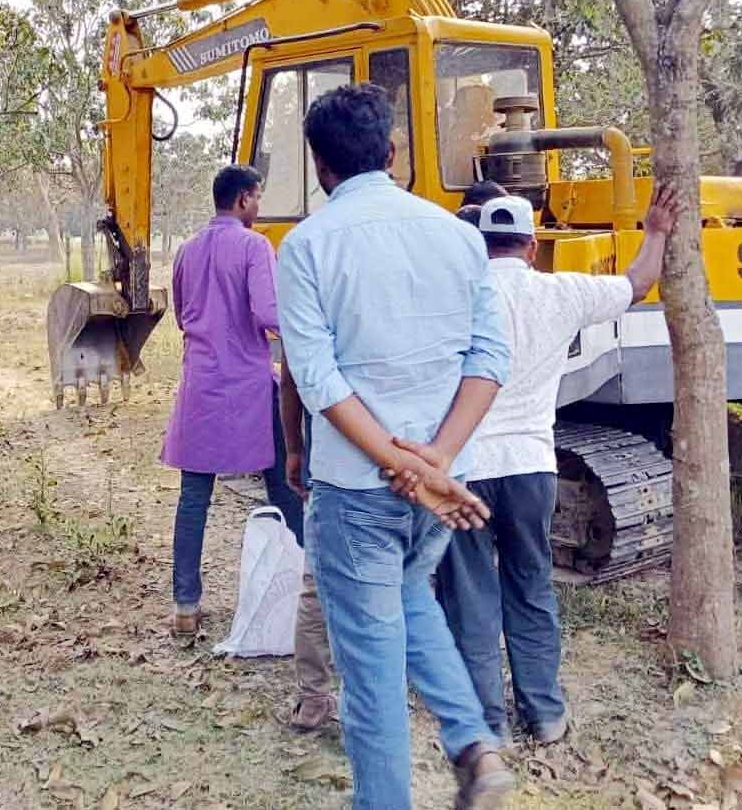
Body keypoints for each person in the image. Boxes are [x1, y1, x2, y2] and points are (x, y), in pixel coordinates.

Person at [276, 82, 515, 809]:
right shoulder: (457, 234)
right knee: (411, 595)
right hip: (441, 492)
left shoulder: (306, 246)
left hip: (358, 488)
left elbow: (317, 379)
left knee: (373, 676)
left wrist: (401, 461)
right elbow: (488, 358)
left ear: (319, 165)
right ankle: (474, 744)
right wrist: (436, 460)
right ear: (392, 153)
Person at [421, 189, 675, 746]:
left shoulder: (456, 295)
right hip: (532, 467)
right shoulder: (560, 292)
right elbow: (636, 284)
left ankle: (487, 726)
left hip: (467, 465)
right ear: (532, 248)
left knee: (470, 595)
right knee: (531, 584)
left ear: (481, 244)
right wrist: (655, 230)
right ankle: (545, 713)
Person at [161, 163, 304, 639]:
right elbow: (267, 312)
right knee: (283, 486)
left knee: (193, 497)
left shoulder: (186, 250)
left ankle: (185, 604)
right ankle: (310, 585)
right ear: (243, 200)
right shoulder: (254, 246)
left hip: (201, 384)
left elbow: (182, 316)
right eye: (258, 197)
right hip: (248, 385)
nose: (260, 207)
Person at [277, 362, 336, 732]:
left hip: (327, 466)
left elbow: (290, 381)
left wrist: (294, 448)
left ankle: (314, 698)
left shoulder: (310, 302)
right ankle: (379, 695)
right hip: (391, 463)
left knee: (317, 586)